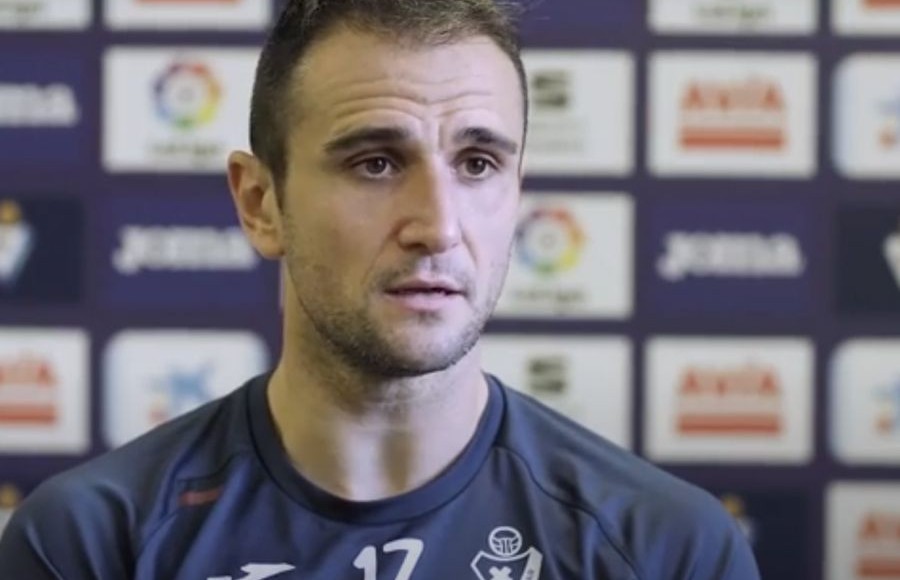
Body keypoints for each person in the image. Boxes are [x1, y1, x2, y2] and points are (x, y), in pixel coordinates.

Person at [0, 1, 760, 578]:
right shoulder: (93, 542)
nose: (437, 225)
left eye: (477, 164)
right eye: (375, 163)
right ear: (260, 203)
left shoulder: (667, 549)